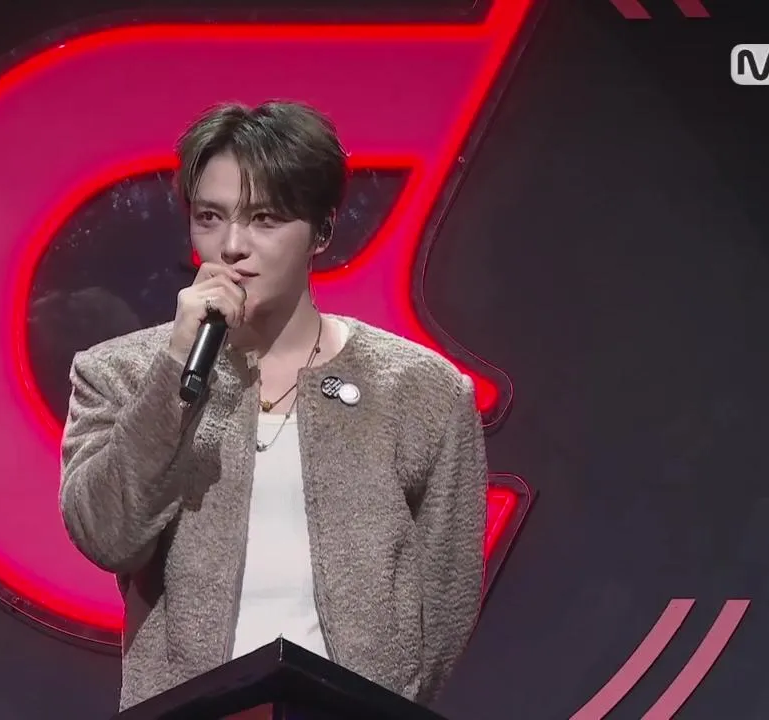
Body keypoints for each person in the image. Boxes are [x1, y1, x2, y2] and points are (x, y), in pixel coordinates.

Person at [59, 100, 489, 711]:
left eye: (264, 218)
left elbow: (445, 601)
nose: (232, 246)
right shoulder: (118, 374)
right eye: (210, 217)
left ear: (322, 232)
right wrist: (174, 369)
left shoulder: (422, 391)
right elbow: (108, 537)